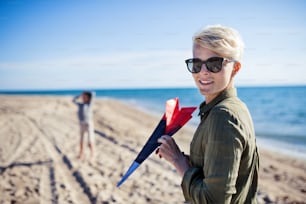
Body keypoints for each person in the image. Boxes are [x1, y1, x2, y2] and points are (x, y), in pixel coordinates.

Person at [157, 25, 259, 203]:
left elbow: (213, 200)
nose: (203, 71)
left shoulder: (224, 116)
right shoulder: (234, 107)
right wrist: (181, 157)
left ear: (235, 68)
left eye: (214, 64)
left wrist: (178, 162)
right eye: (196, 64)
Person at [73, 91, 95, 161]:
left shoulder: (89, 104)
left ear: (88, 98)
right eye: (83, 97)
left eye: (85, 97)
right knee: (81, 140)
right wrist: (79, 96)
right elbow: (73, 100)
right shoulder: (80, 104)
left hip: (89, 124)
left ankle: (92, 155)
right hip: (82, 124)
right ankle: (81, 154)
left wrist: (87, 93)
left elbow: (93, 94)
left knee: (90, 140)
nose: (83, 98)